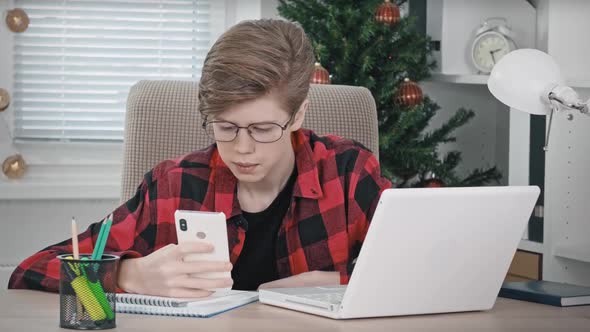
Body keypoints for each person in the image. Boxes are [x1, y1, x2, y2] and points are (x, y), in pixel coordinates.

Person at [8, 19, 391, 297]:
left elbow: (423, 271)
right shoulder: (174, 185)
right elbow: (29, 270)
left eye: (262, 129)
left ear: (299, 115)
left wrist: (342, 282)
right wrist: (128, 274)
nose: (242, 148)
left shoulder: (350, 173)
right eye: (225, 127)